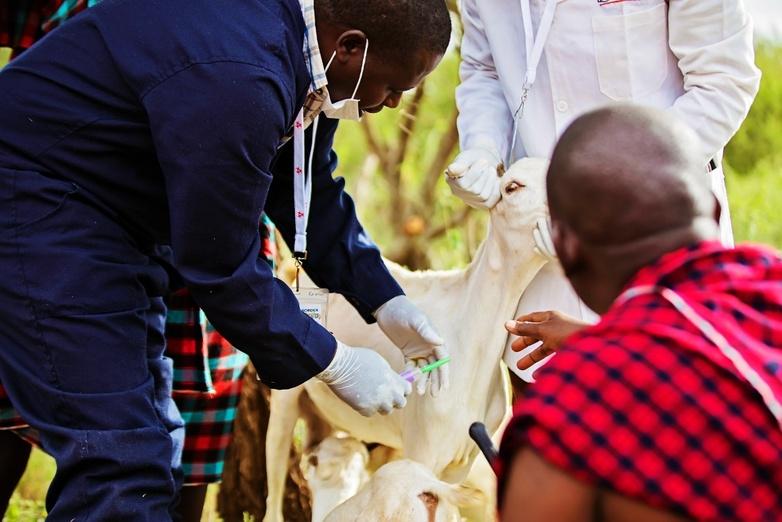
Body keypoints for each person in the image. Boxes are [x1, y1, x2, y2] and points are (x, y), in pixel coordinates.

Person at [0, 0, 452, 518]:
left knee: (152, 446)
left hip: (109, 224)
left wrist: (389, 302)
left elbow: (307, 188)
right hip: (39, 208)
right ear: (350, 46)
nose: (394, 103)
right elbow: (223, 266)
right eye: (395, 86)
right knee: (118, 459)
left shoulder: (306, 59)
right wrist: (335, 360)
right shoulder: (242, 76)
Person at [446, 0, 762, 380]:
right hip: (539, 253)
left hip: (654, 232)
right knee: (550, 415)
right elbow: (485, 70)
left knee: (672, 398)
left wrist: (595, 192)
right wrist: (483, 147)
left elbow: (722, 85)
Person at [497, 105, 782, 521]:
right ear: (712, 209)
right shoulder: (769, 279)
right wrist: (592, 338)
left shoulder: (573, 405)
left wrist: (595, 352)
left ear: (566, 249)